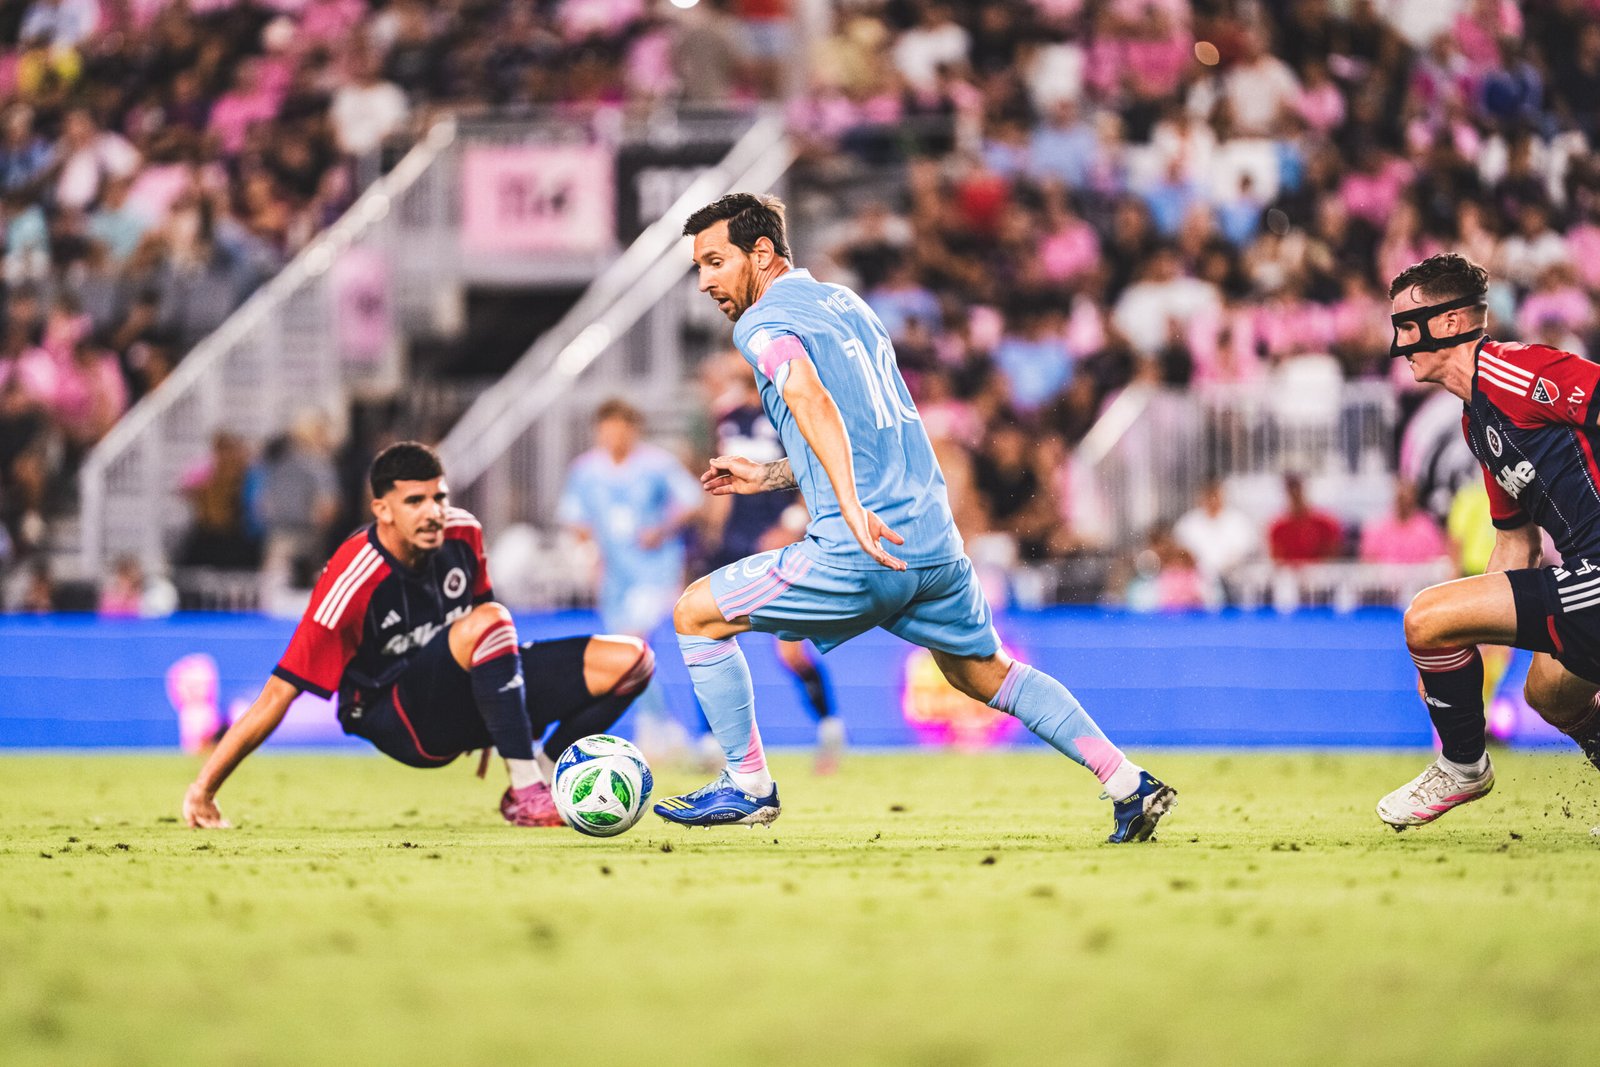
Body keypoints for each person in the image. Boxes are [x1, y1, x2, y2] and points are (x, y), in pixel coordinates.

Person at [659, 193, 1176, 842]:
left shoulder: (761, 324)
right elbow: (860, 428)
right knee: (985, 671)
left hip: (858, 548)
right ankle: (1129, 783)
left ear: (760, 254)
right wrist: (765, 474)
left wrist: (847, 507)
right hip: (933, 546)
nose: (705, 280)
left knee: (696, 615)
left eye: (714, 261)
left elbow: (805, 394)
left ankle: (749, 785)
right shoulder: (851, 308)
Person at [182, 442, 656, 829]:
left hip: (460, 690)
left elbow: (487, 635)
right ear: (382, 510)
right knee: (491, 620)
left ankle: (540, 778)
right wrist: (204, 789)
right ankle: (527, 785)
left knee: (634, 662)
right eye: (415, 501)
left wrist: (505, 721)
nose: (433, 513)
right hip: (396, 714)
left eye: (439, 498)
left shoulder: (463, 533)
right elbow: (278, 694)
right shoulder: (352, 578)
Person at [1378, 253, 1600, 830]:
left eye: (1406, 324)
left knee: (1425, 615)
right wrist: (1464, 631)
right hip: (1584, 576)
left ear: (1450, 323)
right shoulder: (1476, 421)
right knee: (1550, 693)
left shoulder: (1516, 373)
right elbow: (1515, 548)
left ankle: (1462, 766)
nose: (1399, 342)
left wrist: (1444, 625)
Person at [709, 365, 846, 773]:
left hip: (779, 542)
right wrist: (712, 530)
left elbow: (816, 471)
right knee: (713, 637)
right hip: (735, 541)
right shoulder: (729, 418)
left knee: (789, 649)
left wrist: (789, 527)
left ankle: (830, 727)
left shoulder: (790, 412)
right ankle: (713, 743)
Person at [559, 399, 706, 761]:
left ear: (634, 429)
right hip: (614, 575)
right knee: (627, 653)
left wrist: (663, 528)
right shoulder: (586, 470)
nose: (613, 436)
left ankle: (665, 728)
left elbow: (692, 499)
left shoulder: (657, 465)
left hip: (654, 570)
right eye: (606, 429)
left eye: (621, 428)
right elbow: (573, 516)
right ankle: (657, 727)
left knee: (632, 643)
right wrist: (589, 546)